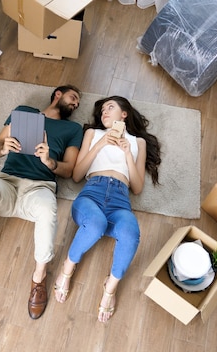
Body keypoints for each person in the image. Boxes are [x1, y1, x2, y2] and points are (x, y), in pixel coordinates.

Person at [0, 85, 83, 320]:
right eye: (73, 97)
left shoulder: (73, 128)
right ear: (57, 94)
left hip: (39, 188)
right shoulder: (24, 112)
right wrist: (2, 148)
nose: (76, 103)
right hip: (7, 182)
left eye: (78, 102)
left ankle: (39, 277)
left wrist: (49, 161)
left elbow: (69, 170)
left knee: (49, 211)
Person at [53, 96, 161, 323]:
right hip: (91, 194)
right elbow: (76, 175)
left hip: (121, 200)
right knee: (95, 224)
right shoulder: (93, 134)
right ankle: (67, 268)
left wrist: (127, 155)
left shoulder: (137, 142)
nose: (104, 113)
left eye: (110, 108)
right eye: (102, 110)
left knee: (131, 234)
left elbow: (138, 188)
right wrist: (101, 144)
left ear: (124, 114)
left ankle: (110, 288)